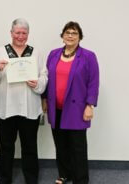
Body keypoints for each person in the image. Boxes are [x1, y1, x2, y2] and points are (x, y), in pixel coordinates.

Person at [0, 18, 47, 184]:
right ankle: (4, 179)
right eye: (17, 32)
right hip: (6, 108)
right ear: (11, 33)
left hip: (30, 108)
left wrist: (38, 83)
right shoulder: (0, 52)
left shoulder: (36, 53)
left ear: (28, 34)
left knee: (30, 147)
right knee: (6, 146)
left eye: (24, 33)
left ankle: (31, 179)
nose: (20, 36)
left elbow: (44, 75)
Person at [42, 21, 99, 184]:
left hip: (77, 109)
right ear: (62, 36)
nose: (70, 36)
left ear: (80, 37)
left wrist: (90, 105)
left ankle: (81, 179)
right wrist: (44, 99)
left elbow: (93, 82)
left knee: (78, 147)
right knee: (61, 145)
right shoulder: (53, 54)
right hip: (56, 108)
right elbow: (47, 79)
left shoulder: (88, 56)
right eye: (67, 32)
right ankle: (65, 174)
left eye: (74, 33)